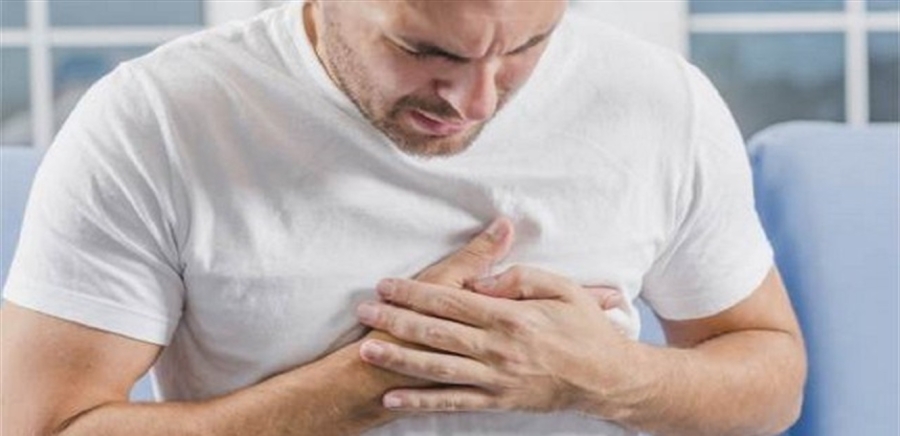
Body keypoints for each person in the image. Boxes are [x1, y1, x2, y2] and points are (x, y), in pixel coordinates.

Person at [0, 1, 806, 435]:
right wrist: (371, 381)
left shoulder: (659, 100)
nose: (477, 101)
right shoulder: (157, 120)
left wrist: (610, 377)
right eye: (429, 53)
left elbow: (773, 384)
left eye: (526, 47)